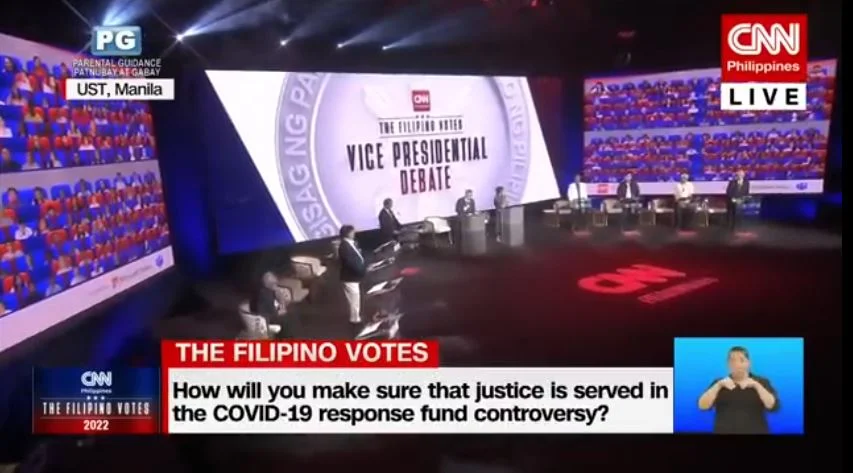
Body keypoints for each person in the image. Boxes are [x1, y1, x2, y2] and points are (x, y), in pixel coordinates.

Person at [697, 346, 779, 434]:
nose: (737, 364)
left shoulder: (762, 382)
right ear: (728, 363)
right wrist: (718, 385)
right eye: (733, 360)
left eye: (742, 360)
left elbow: (772, 405)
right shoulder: (719, 383)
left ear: (749, 363)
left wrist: (757, 386)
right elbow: (702, 406)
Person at [338, 225, 366, 327]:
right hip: (349, 277)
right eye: (352, 232)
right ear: (348, 233)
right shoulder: (344, 246)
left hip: (354, 276)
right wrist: (361, 271)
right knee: (354, 299)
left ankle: (356, 317)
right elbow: (350, 263)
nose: (354, 233)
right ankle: (354, 320)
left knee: (356, 298)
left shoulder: (350, 243)